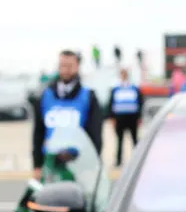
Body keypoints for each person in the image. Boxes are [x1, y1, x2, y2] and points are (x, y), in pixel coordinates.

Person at [32, 50, 103, 181]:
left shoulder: (89, 96)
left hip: (78, 163)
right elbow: (38, 133)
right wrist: (37, 165)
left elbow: (95, 135)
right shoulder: (45, 96)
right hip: (50, 163)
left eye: (69, 66)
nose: (65, 70)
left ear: (77, 67)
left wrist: (92, 166)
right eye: (62, 66)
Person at [107, 68, 144, 167]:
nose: (123, 76)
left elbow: (140, 102)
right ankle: (118, 161)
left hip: (132, 118)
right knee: (119, 141)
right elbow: (111, 103)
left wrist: (139, 117)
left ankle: (138, 160)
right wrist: (112, 118)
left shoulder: (134, 88)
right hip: (120, 118)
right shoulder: (115, 88)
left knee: (135, 140)